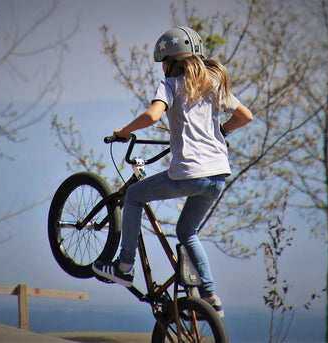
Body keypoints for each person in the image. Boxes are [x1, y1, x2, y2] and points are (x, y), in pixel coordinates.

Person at [93, 26, 253, 317]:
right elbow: (245, 116)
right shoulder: (214, 83)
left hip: (189, 173)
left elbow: (153, 115)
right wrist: (221, 131)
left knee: (133, 196)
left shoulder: (170, 85)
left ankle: (124, 267)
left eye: (163, 62)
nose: (162, 68)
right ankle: (211, 296)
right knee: (187, 231)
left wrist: (124, 131)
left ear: (169, 61)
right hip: (218, 176)